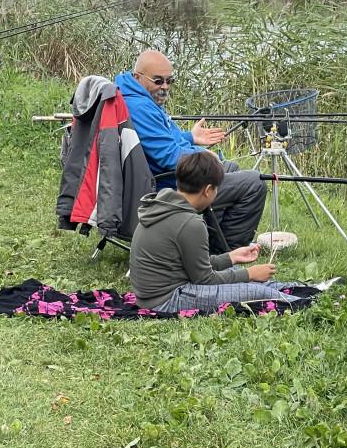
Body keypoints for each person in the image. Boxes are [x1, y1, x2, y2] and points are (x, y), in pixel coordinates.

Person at [116, 49, 266, 254]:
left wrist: (190, 138)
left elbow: (163, 141)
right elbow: (169, 157)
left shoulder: (136, 95)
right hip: (165, 188)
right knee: (254, 183)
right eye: (158, 81)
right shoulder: (140, 107)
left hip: (164, 177)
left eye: (170, 81)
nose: (165, 87)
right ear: (137, 77)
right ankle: (227, 254)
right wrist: (203, 156)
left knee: (230, 167)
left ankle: (209, 243)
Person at [130, 152, 301, 314]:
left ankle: (303, 288)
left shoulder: (163, 205)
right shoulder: (190, 223)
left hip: (152, 295)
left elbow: (194, 264)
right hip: (165, 300)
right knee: (256, 292)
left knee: (248, 278)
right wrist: (250, 274)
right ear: (208, 190)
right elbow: (205, 280)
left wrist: (231, 257)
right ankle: (307, 301)